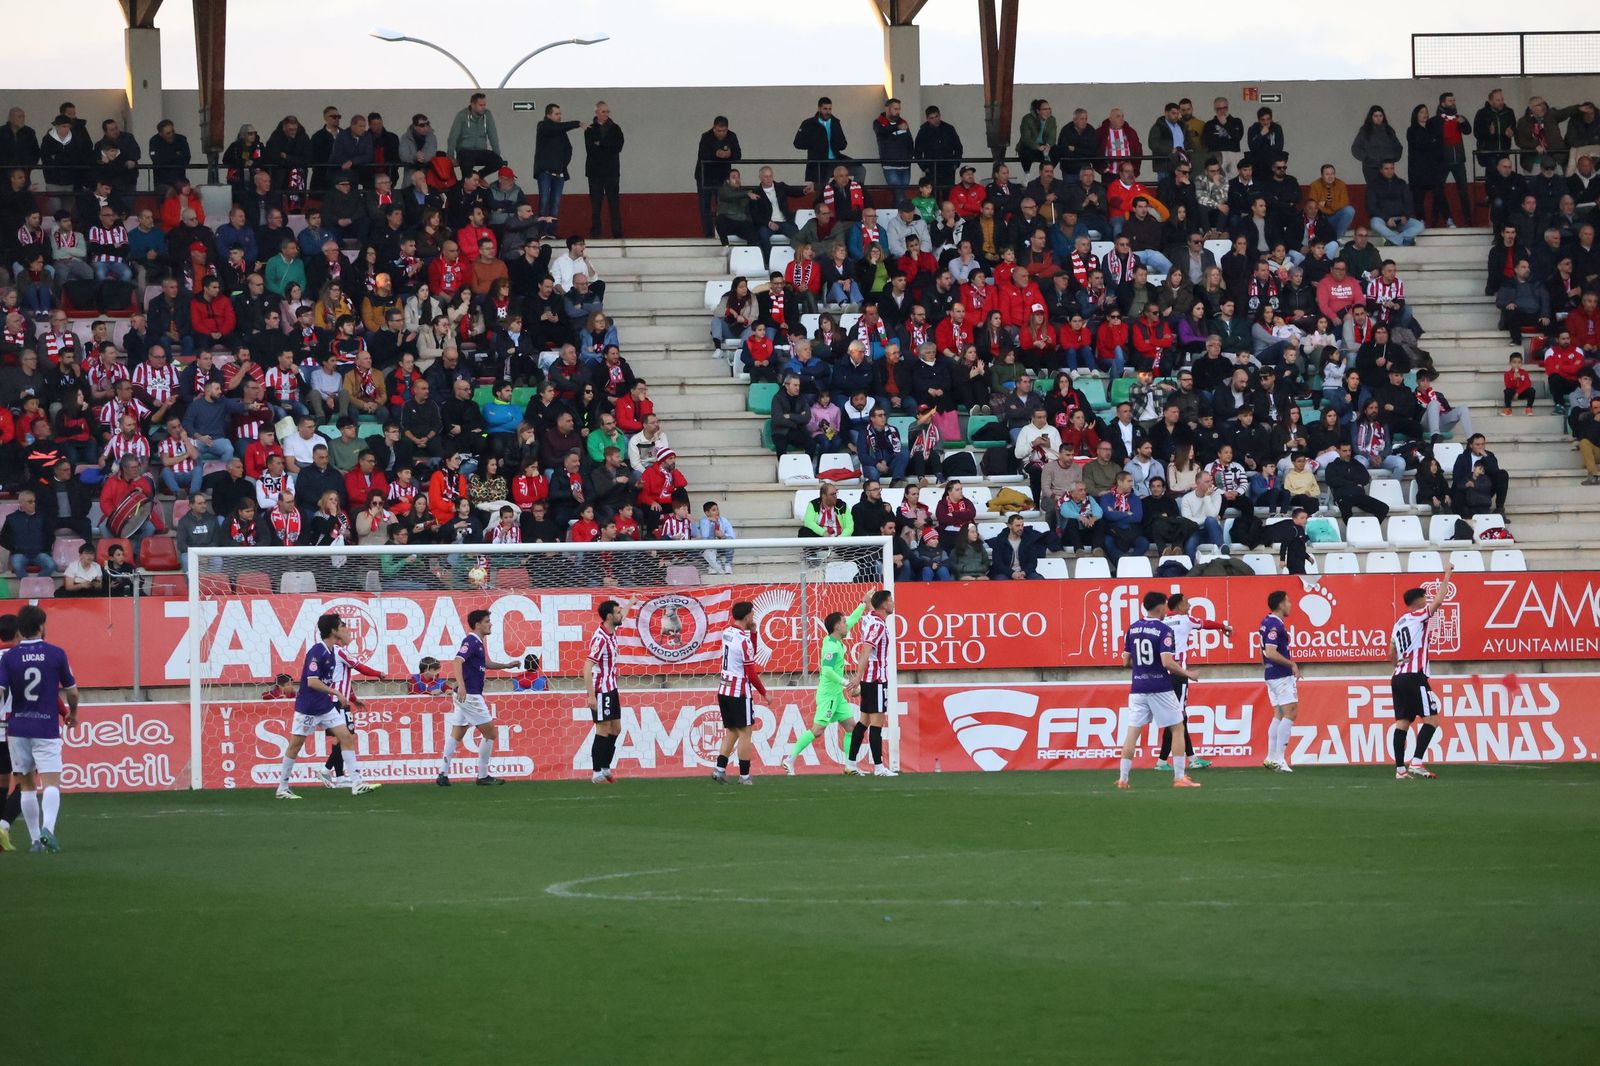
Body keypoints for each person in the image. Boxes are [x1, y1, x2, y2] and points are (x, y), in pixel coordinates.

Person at [274, 613, 380, 800]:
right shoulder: (317, 651)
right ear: (333, 631)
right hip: (308, 708)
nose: (346, 629)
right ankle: (282, 788)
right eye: (342, 626)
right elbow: (313, 682)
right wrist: (337, 693)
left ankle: (357, 783)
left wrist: (348, 696)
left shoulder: (332, 651)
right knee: (295, 746)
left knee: (346, 736)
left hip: (325, 706)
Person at [1118, 591, 1202, 790]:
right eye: (1165, 605)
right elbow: (1167, 662)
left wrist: (1141, 670)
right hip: (1160, 687)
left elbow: (1125, 661)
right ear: (1160, 607)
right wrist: (1188, 673)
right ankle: (1180, 777)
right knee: (1178, 727)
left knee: (1132, 732)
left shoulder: (1133, 628)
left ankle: (1123, 779)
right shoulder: (1163, 630)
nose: (1167, 609)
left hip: (1138, 687)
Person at [785, 588, 874, 775]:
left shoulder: (836, 638)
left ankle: (850, 766)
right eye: (843, 622)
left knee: (851, 727)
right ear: (836, 627)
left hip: (837, 695)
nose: (847, 625)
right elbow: (826, 670)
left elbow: (853, 619)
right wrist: (846, 683)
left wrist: (863, 603)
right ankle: (790, 759)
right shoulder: (831, 647)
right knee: (817, 730)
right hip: (828, 695)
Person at [434, 609, 519, 787]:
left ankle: (443, 773)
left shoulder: (479, 642)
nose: (490, 624)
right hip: (470, 695)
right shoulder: (471, 640)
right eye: (487, 621)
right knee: (491, 733)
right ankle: (482, 775)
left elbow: (486, 663)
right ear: (478, 624)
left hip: (465, 695)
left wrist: (507, 665)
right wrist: (462, 684)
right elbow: (457, 661)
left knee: (457, 733)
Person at [1391, 562, 1454, 780]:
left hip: (1398, 676)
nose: (1428, 601)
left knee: (1403, 722)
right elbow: (1439, 601)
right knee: (1432, 720)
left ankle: (1400, 770)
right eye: (1425, 598)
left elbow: (1390, 651)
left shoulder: (1398, 623)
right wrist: (1447, 574)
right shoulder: (1419, 615)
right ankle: (1416, 762)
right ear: (1419, 602)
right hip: (1414, 676)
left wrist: (1399, 661)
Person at [1157, 592, 1229, 773]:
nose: (1189, 605)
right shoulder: (1185, 620)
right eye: (1186, 603)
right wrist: (1223, 627)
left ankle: (1191, 759)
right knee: (1177, 718)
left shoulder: (1162, 623)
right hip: (1178, 674)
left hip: (1162, 674)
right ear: (1179, 606)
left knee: (1178, 717)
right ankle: (1163, 761)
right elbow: (1206, 624)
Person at [843, 589, 897, 778]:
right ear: (883, 604)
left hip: (870, 680)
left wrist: (867, 601)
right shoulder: (879, 626)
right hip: (876, 679)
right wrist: (858, 676)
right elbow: (866, 651)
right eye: (890, 600)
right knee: (876, 723)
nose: (893, 602)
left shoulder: (871, 619)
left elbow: (869, 609)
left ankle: (850, 764)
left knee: (863, 722)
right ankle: (879, 767)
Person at [712, 600, 767, 785]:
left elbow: (749, 654)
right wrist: (764, 693)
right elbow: (751, 672)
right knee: (745, 732)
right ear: (746, 616)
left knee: (733, 731)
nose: (753, 616)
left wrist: (752, 632)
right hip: (739, 692)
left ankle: (719, 770)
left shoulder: (727, 633)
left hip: (723, 690)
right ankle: (744, 776)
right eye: (752, 613)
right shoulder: (744, 641)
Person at [582, 599, 630, 785]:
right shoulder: (600, 638)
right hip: (601, 689)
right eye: (617, 612)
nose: (621, 615)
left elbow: (622, 615)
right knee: (602, 729)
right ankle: (596, 773)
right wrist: (591, 695)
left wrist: (631, 603)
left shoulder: (611, 629)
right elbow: (587, 666)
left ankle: (605, 767)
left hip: (612, 687)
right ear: (609, 616)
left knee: (616, 728)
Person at [1258, 589, 1303, 773]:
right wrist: (1291, 664)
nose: (1290, 604)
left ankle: (1271, 757)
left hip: (1271, 675)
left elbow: (1263, 654)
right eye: (1288, 601)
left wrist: (1266, 668)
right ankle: (1280, 759)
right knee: (1291, 713)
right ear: (1280, 604)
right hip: (1280, 675)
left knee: (1278, 714)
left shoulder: (1265, 621)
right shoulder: (1275, 625)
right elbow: (1270, 651)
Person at [584, 101, 625, 239]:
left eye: (608, 111)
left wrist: (601, 143)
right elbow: (590, 149)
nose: (606, 114)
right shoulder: (590, 129)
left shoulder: (616, 128)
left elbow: (618, 146)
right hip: (594, 172)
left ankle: (617, 232)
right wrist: (607, 146)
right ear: (596, 112)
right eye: (603, 111)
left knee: (614, 202)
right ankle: (596, 232)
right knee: (596, 204)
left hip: (612, 172)